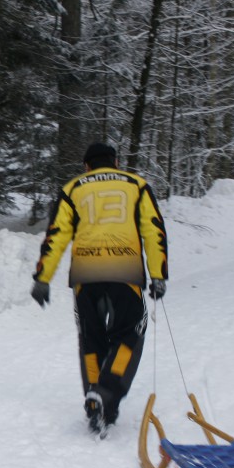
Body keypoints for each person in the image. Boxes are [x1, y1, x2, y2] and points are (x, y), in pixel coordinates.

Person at [30, 143, 168, 436]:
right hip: (124, 271)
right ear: (116, 162)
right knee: (129, 333)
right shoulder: (137, 185)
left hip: (86, 275)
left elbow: (56, 234)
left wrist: (42, 278)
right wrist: (158, 274)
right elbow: (153, 229)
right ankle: (106, 394)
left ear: (86, 166)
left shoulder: (73, 188)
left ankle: (97, 401)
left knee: (91, 338)